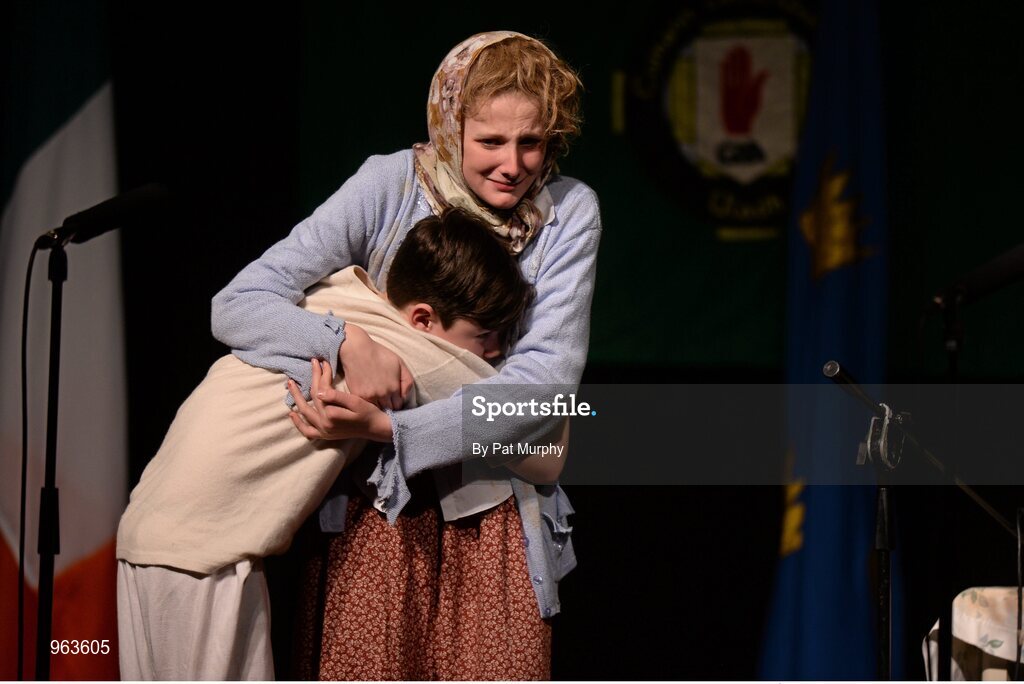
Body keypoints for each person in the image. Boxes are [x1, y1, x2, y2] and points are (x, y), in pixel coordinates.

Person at [211, 30, 601, 679]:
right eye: (490, 141)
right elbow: (240, 301)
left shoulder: (567, 212)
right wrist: (344, 342)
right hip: (377, 513)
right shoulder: (391, 184)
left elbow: (542, 386)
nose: (512, 164)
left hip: (496, 522)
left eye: (531, 142)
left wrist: (392, 426)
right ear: (451, 125)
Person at [115, 209, 554, 680]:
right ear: (423, 319)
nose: (493, 352)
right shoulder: (411, 351)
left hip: (146, 536)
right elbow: (545, 434)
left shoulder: (330, 299)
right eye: (484, 336)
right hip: (203, 558)